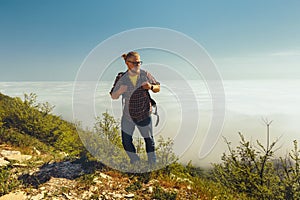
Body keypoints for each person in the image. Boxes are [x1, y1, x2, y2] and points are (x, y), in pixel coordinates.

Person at [110, 51, 160, 165]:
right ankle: (135, 162)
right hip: (128, 116)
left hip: (144, 114)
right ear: (128, 63)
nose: (138, 65)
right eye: (135, 63)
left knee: (149, 141)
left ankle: (152, 165)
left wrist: (151, 87)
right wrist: (119, 91)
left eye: (139, 62)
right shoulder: (121, 77)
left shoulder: (145, 74)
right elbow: (113, 96)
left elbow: (158, 87)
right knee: (126, 141)